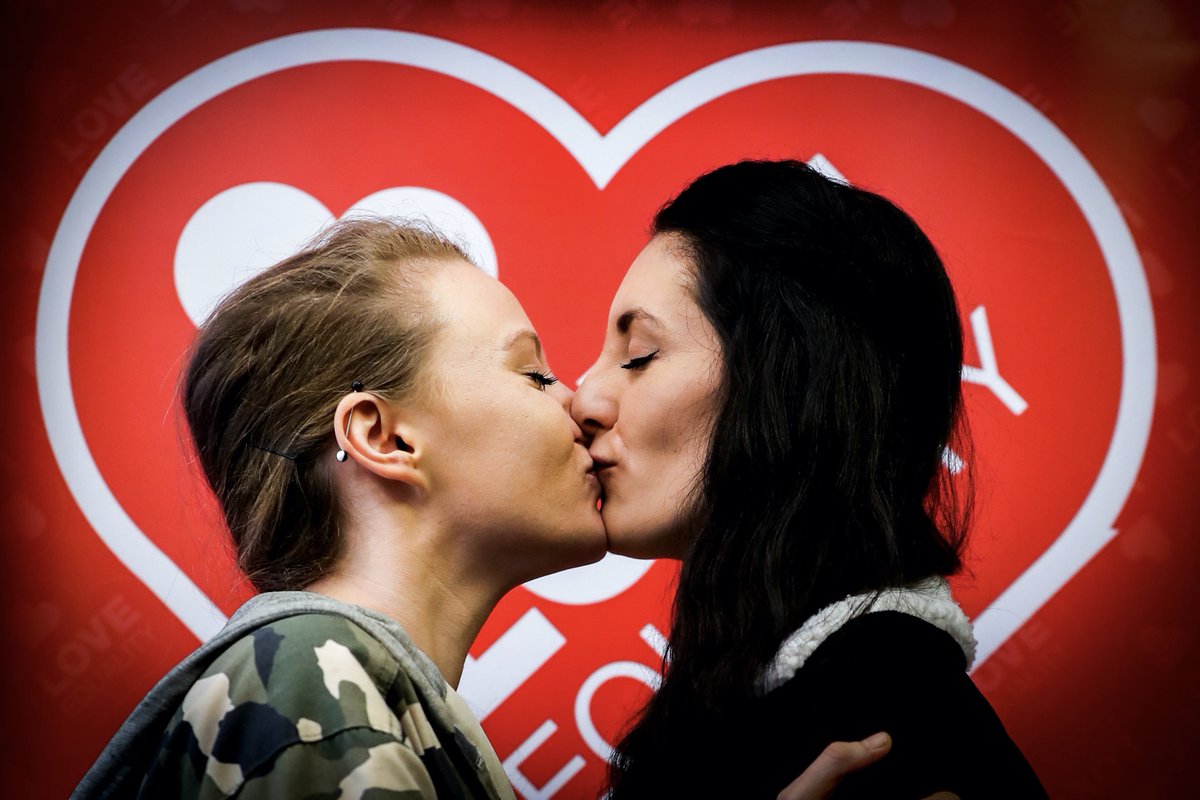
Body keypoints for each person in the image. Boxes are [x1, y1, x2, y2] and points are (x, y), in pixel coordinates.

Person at [72, 218, 890, 799]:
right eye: (533, 374)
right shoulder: (313, 685)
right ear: (383, 437)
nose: (578, 400)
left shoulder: (361, 693)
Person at [572, 159, 1049, 798]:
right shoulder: (754, 684)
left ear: (787, 384)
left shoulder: (877, 717)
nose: (585, 398)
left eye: (639, 355)